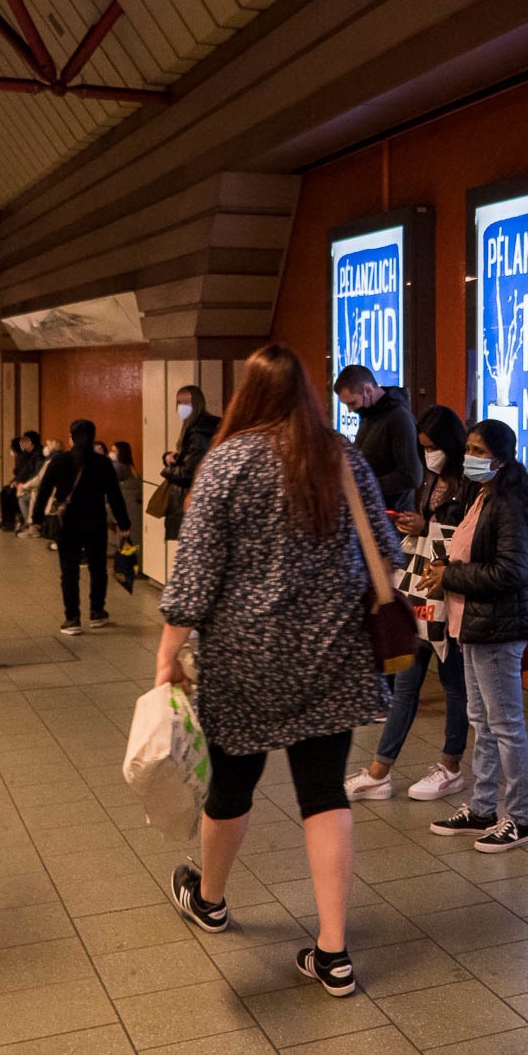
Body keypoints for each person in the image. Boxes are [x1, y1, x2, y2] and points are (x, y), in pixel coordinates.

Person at [156, 343, 398, 998]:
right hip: (332, 656)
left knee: (231, 786)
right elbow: (385, 552)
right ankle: (334, 952)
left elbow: (194, 577)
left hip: (244, 661)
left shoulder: (226, 463)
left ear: (249, 394)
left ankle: (210, 900)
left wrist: (167, 653)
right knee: (324, 793)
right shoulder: (341, 457)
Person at [420, 419, 528, 852]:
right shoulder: (482, 495)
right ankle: (483, 807)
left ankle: (520, 819)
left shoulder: (508, 504)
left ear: (501, 458)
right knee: (482, 721)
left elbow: (511, 571)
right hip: (472, 624)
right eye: (468, 449)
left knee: (506, 725)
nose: (469, 457)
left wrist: (451, 576)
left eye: (478, 451)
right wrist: (447, 570)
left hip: (497, 627)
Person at [345, 405, 477, 802]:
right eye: (424, 448)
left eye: (434, 447)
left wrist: (429, 527)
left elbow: (471, 537)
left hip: (453, 597)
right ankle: (379, 769)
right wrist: (416, 526)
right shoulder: (430, 479)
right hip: (421, 591)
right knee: (405, 686)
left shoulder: (471, 486)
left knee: (454, 684)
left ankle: (451, 764)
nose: (429, 455)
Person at [32, 421, 131, 634]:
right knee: (98, 568)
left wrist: (37, 518)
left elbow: (44, 490)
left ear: (72, 437)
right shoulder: (102, 463)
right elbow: (115, 495)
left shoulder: (60, 460)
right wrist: (124, 523)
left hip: (68, 523)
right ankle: (97, 612)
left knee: (69, 571)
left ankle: (72, 619)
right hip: (95, 521)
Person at [333, 365, 422, 513]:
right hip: (372, 509)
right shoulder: (368, 417)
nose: (350, 410)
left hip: (393, 514)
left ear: (368, 390)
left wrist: (367, 486)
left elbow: (411, 475)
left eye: (352, 403)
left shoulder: (400, 418)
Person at [160, 385, 220, 542]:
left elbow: (188, 472)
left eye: (184, 403)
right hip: (204, 501)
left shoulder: (197, 431)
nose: (181, 408)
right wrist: (169, 457)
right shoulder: (207, 427)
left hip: (192, 502)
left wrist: (167, 469)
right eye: (179, 403)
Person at [14, 434, 50, 537]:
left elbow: (37, 476)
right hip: (33, 485)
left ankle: (30, 525)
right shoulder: (29, 455)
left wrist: (24, 485)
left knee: (23, 497)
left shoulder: (39, 457)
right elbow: (26, 471)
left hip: (37, 487)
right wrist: (18, 481)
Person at [0, 437, 23, 530]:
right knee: (4, 492)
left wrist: (17, 482)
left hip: (23, 484)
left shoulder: (23, 458)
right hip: (19, 482)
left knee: (8, 494)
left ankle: (9, 522)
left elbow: (25, 473)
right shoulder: (19, 458)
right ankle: (6, 520)